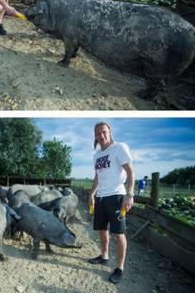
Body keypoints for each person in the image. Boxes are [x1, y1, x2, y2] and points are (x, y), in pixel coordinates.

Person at [88, 121, 135, 284]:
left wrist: (129, 193)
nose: (101, 136)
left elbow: (130, 171)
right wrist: (92, 193)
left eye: (104, 132)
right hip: (100, 198)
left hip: (116, 196)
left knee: (119, 233)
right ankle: (104, 256)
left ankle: (119, 268)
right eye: (98, 133)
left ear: (110, 132)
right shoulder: (97, 155)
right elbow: (97, 177)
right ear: (95, 136)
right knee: (101, 229)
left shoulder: (119, 148)